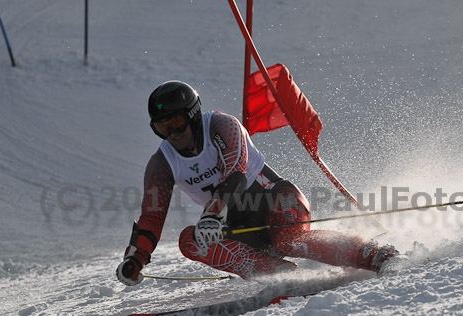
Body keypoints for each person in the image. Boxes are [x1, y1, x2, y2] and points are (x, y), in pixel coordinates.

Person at [116, 81, 401, 286]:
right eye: (161, 128)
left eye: (176, 123)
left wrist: (213, 213)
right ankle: (281, 276)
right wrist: (136, 258)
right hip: (239, 225)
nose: (172, 135)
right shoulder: (161, 163)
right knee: (190, 241)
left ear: (192, 115)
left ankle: (377, 254)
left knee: (288, 239)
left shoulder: (221, 125)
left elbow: (235, 174)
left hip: (277, 201)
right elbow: (152, 215)